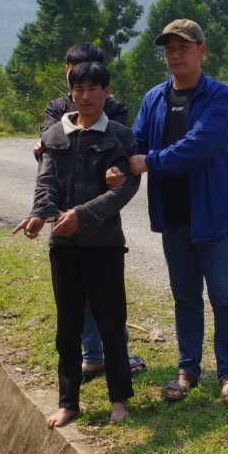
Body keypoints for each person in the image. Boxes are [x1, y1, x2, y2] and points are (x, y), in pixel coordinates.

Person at [13, 61, 141, 427]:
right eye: (78, 89)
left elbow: (125, 189)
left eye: (92, 89)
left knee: (112, 323)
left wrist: (82, 215)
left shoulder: (120, 136)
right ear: (71, 94)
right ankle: (68, 403)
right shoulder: (56, 134)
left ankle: (120, 401)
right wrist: (40, 215)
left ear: (106, 92)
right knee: (67, 327)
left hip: (105, 245)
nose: (85, 96)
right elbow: (46, 182)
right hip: (64, 246)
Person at [129, 19, 228, 407]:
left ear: (202, 51)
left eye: (183, 47)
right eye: (169, 48)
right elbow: (134, 142)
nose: (175, 54)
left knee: (224, 296)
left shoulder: (219, 97)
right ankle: (188, 369)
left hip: (214, 214)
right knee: (185, 296)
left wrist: (149, 161)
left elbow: (198, 145)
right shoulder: (154, 98)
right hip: (174, 215)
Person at [34, 43, 146, 384]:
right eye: (75, 77)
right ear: (67, 74)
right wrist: (40, 212)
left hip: (101, 228)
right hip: (65, 231)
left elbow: (118, 162)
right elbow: (49, 154)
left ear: (104, 85)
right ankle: (92, 357)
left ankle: (116, 363)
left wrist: (113, 172)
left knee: (109, 304)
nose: (84, 92)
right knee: (74, 307)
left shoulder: (115, 111)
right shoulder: (56, 110)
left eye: (91, 81)